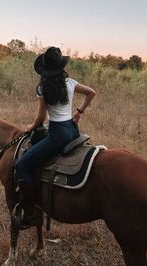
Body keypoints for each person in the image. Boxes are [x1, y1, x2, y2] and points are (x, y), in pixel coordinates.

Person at [14, 46, 96, 228]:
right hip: (73, 131)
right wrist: (78, 112)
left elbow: (40, 119)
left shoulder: (43, 88)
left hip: (57, 135)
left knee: (21, 165)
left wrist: (29, 126)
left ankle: (31, 213)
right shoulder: (71, 83)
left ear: (44, 70)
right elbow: (92, 92)